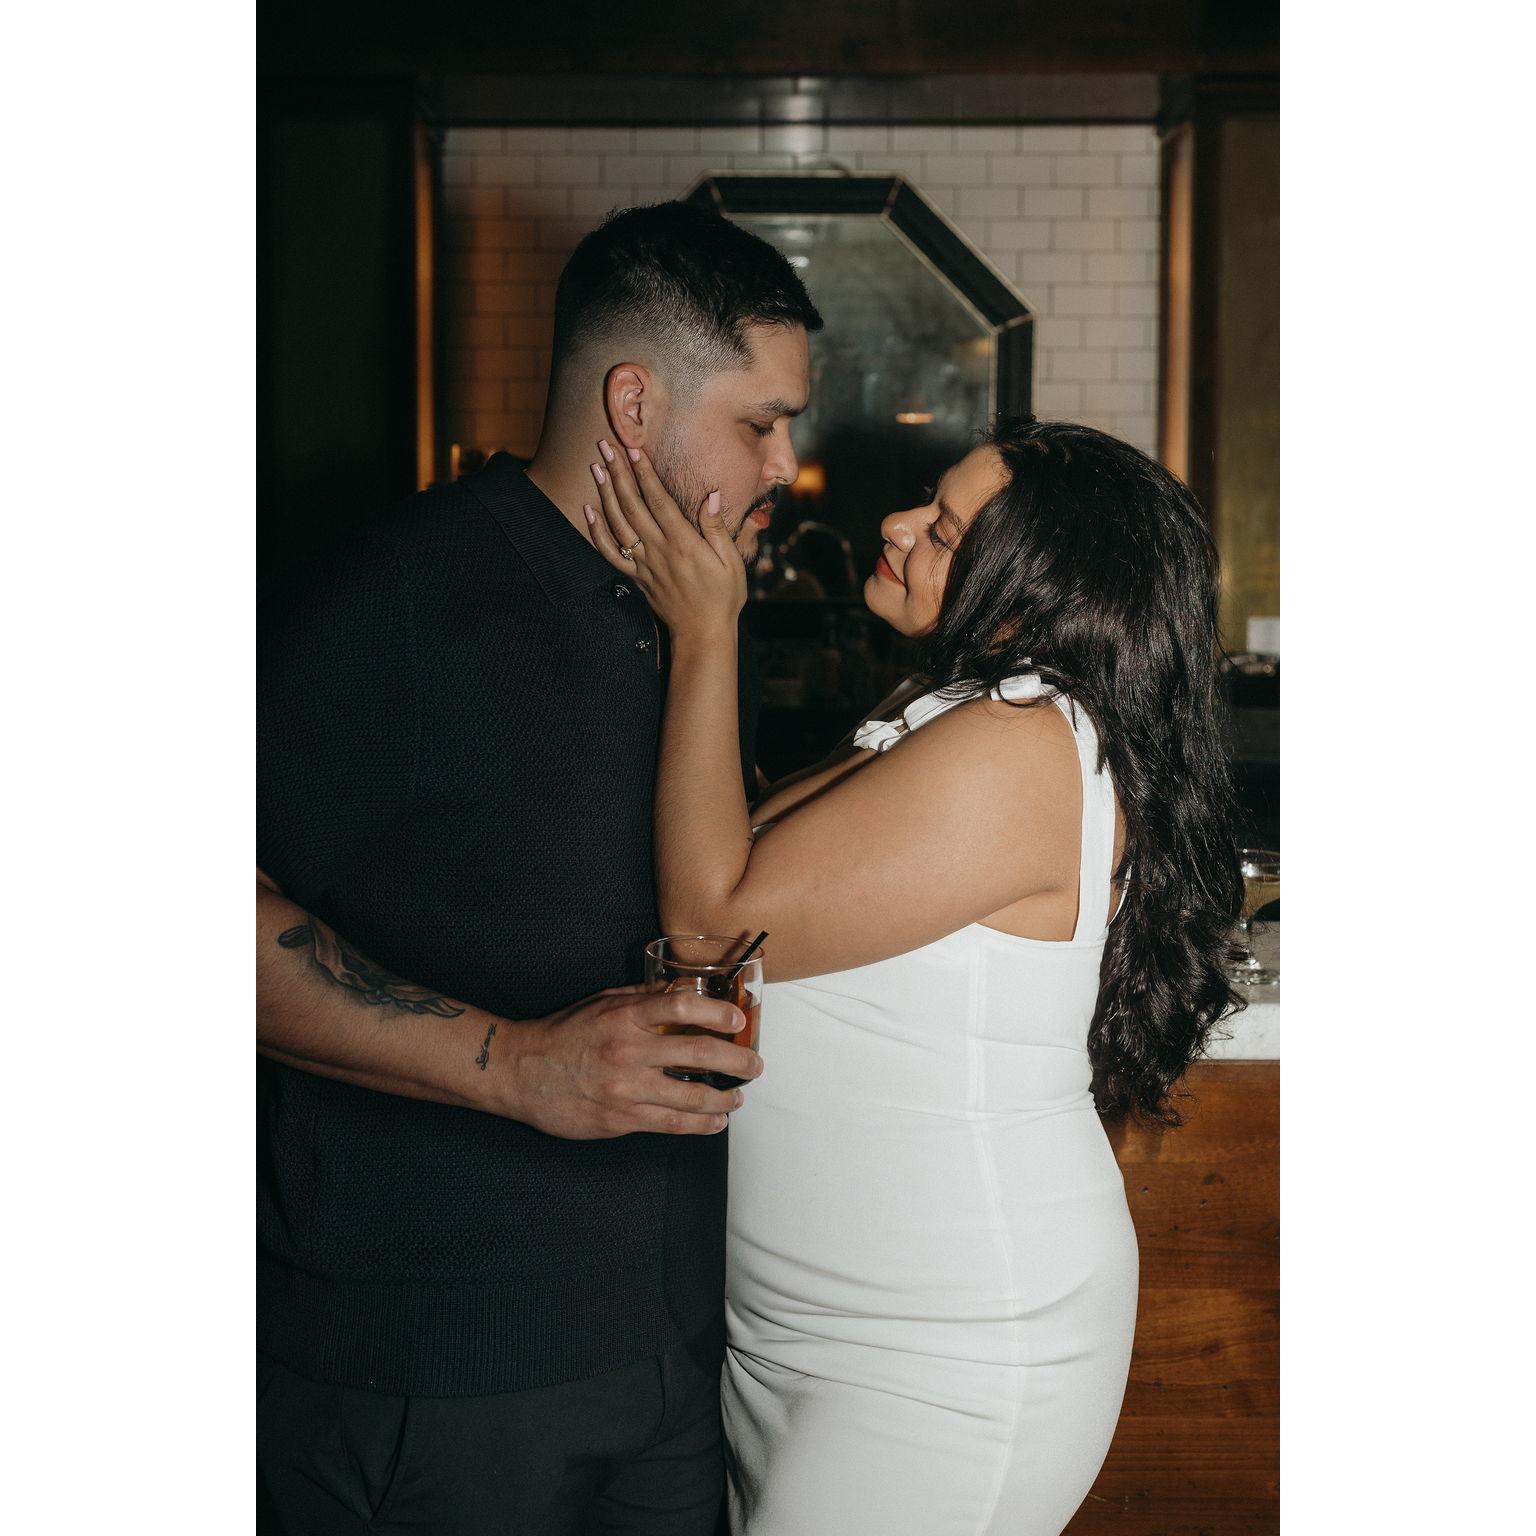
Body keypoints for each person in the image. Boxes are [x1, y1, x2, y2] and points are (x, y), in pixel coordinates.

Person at [256, 201, 821, 1535]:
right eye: (761, 421)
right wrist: (514, 1063)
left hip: (671, 1347)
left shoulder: (697, 612)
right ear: (634, 403)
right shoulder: (389, 597)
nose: (787, 463)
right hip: (433, 1367)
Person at [584, 416, 1244, 1535]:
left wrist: (707, 630)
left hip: (942, 1356)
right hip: (812, 1329)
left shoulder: (1022, 744)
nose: (894, 525)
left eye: (941, 530)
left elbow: (712, 921)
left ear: (1036, 598)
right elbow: (745, 848)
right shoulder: (936, 712)